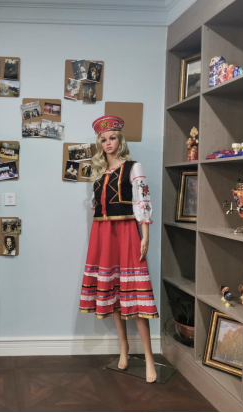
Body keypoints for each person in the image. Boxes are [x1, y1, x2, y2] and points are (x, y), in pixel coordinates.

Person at [80, 115, 159, 383]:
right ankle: (123, 348)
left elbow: (142, 201)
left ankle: (149, 358)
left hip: (126, 232)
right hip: (102, 235)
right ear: (99, 143)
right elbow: (97, 206)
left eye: (112, 137)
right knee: (113, 292)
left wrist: (144, 235)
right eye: (103, 139)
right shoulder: (98, 172)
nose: (108, 143)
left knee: (134, 293)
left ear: (120, 140)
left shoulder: (133, 167)